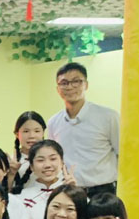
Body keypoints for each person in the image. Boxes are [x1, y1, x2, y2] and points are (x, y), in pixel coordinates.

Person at [47, 62, 120, 196]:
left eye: (76, 81)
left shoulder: (108, 117)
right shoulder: (53, 122)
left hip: (103, 192)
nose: (70, 87)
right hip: (70, 191)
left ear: (86, 85)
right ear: (58, 89)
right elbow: (53, 158)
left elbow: (121, 154)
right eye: (64, 83)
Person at [9, 140, 71, 219]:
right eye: (40, 160)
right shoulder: (21, 198)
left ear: (62, 162)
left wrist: (73, 193)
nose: (47, 165)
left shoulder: (73, 194)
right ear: (31, 166)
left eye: (53, 159)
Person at [10, 111, 47, 185]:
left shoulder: (51, 159)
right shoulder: (11, 161)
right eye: (26, 131)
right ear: (17, 134)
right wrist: (11, 174)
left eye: (37, 131)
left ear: (43, 133)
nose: (31, 136)